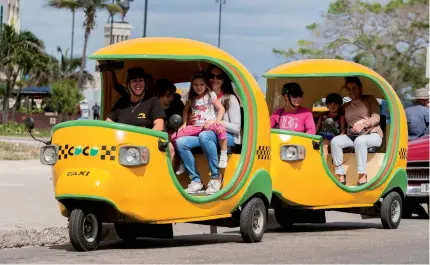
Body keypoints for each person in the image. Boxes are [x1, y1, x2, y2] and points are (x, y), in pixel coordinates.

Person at [175, 66, 241, 194]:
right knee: (181, 142)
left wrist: (216, 122)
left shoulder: (229, 98)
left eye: (219, 77)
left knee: (205, 135)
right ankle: (195, 180)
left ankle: (216, 177)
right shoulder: (199, 97)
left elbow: (236, 128)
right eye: (211, 76)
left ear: (224, 80)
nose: (214, 79)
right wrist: (189, 120)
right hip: (205, 134)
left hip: (227, 137)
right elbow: (194, 117)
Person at [330, 76, 383, 186]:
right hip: (352, 135)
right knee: (335, 141)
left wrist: (364, 124)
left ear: (360, 88)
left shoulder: (369, 100)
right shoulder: (346, 106)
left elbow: (376, 117)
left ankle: (362, 175)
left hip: (372, 134)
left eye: (354, 88)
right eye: (348, 89)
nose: (351, 91)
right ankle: (341, 175)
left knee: (360, 141)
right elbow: (332, 112)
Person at [171, 71, 228, 172]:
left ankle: (224, 154)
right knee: (174, 136)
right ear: (192, 85)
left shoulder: (210, 95)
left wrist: (217, 120)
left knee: (220, 128)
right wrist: (184, 123)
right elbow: (185, 110)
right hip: (195, 126)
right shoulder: (191, 97)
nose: (199, 87)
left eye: (202, 84)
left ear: (206, 85)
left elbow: (221, 108)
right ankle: (183, 161)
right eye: (196, 85)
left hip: (208, 125)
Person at [315, 93, 346, 162]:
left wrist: (340, 139)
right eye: (330, 103)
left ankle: (324, 166)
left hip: (334, 137)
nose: (333, 105)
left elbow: (342, 130)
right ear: (327, 105)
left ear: (339, 105)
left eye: (335, 103)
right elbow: (317, 127)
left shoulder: (341, 117)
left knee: (325, 145)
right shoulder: (323, 115)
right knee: (322, 144)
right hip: (322, 136)